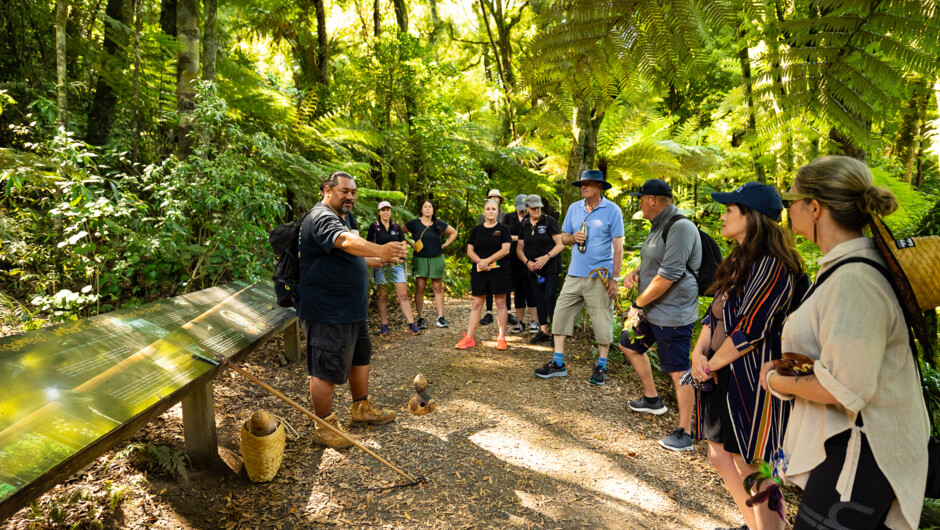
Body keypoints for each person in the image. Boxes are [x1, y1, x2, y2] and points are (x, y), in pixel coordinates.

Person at [758, 156, 929, 530]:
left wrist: (775, 380)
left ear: (814, 208)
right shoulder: (844, 270)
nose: (788, 208)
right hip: (851, 448)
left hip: (863, 454)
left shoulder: (854, 282)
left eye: (792, 199)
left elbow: (848, 387)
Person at [688, 182, 802, 530]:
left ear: (751, 217)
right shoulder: (738, 258)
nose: (722, 216)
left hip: (752, 379)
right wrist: (698, 352)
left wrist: (710, 363)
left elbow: (751, 328)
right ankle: (754, 525)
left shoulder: (774, 265)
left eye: (729, 210)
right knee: (720, 454)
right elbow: (715, 313)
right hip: (721, 372)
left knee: (755, 466)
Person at [298, 171, 406, 448]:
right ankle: (324, 426)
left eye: (354, 192)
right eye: (344, 191)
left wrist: (380, 258)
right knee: (325, 368)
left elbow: (350, 254)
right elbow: (344, 242)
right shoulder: (321, 216)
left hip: (350, 309)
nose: (350, 196)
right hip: (327, 310)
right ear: (327, 190)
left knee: (360, 357)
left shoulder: (343, 218)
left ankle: (361, 408)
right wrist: (380, 249)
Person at [618, 178, 702, 452]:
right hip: (651, 310)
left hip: (673, 315)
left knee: (678, 371)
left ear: (652, 200)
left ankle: (686, 433)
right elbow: (655, 264)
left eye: (642, 199)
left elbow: (670, 274)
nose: (640, 204)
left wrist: (637, 304)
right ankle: (652, 399)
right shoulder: (657, 226)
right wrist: (636, 273)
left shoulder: (680, 227)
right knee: (629, 345)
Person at [534, 170, 624, 384]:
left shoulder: (612, 210)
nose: (584, 187)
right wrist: (573, 238)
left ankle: (602, 366)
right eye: (582, 183)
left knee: (601, 321)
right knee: (561, 314)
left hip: (600, 276)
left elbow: (618, 247)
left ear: (600, 186)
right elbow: (563, 238)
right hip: (574, 274)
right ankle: (558, 363)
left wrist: (615, 279)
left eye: (589, 183)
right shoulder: (574, 208)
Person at [455, 199, 512, 350]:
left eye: (494, 209)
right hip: (480, 271)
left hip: (500, 270)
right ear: (484, 211)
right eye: (488, 209)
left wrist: (488, 261)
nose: (491, 211)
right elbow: (469, 250)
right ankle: (469, 338)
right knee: (476, 304)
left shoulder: (503, 229)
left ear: (498, 211)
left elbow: (505, 249)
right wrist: (480, 262)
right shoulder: (477, 230)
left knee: (501, 303)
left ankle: (501, 338)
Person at [367, 201, 420, 336]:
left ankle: (411, 324)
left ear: (390, 212)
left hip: (397, 264)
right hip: (381, 265)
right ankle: (384, 325)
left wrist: (399, 253)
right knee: (383, 295)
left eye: (388, 210)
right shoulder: (374, 227)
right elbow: (369, 245)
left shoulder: (396, 227)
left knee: (403, 295)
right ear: (379, 212)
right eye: (383, 210)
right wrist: (382, 257)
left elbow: (403, 242)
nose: (386, 212)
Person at [403, 199, 458, 329]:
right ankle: (420, 318)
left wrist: (445, 244)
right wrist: (410, 243)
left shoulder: (438, 224)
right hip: (420, 258)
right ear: (421, 209)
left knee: (437, 287)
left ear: (433, 210)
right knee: (420, 287)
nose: (428, 209)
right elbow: (399, 232)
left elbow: (453, 232)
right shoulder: (414, 223)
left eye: (430, 207)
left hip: (436, 258)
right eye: (425, 206)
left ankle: (440, 318)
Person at [517, 194, 563, 345]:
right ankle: (544, 331)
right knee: (539, 298)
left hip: (550, 267)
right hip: (533, 269)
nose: (537, 210)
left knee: (549, 297)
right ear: (527, 208)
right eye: (533, 208)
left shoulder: (549, 221)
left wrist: (546, 257)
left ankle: (556, 333)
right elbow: (519, 248)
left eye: (538, 207)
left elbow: (560, 244)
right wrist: (527, 262)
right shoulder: (524, 223)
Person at [477, 189, 516, 327]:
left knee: (505, 284)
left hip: (503, 254)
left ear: (500, 201)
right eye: (492, 197)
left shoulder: (506, 216)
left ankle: (508, 312)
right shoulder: (482, 217)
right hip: (486, 254)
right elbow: (479, 233)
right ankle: (488, 312)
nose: (495, 199)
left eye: (497, 198)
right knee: (487, 284)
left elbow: (508, 235)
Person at [505, 194, 539, 333]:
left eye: (525, 208)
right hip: (512, 259)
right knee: (518, 291)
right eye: (520, 208)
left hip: (529, 259)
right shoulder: (508, 217)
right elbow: (504, 235)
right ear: (515, 206)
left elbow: (533, 237)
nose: (523, 211)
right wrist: (519, 238)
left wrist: (515, 238)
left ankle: (534, 321)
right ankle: (520, 322)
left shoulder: (532, 218)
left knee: (530, 289)